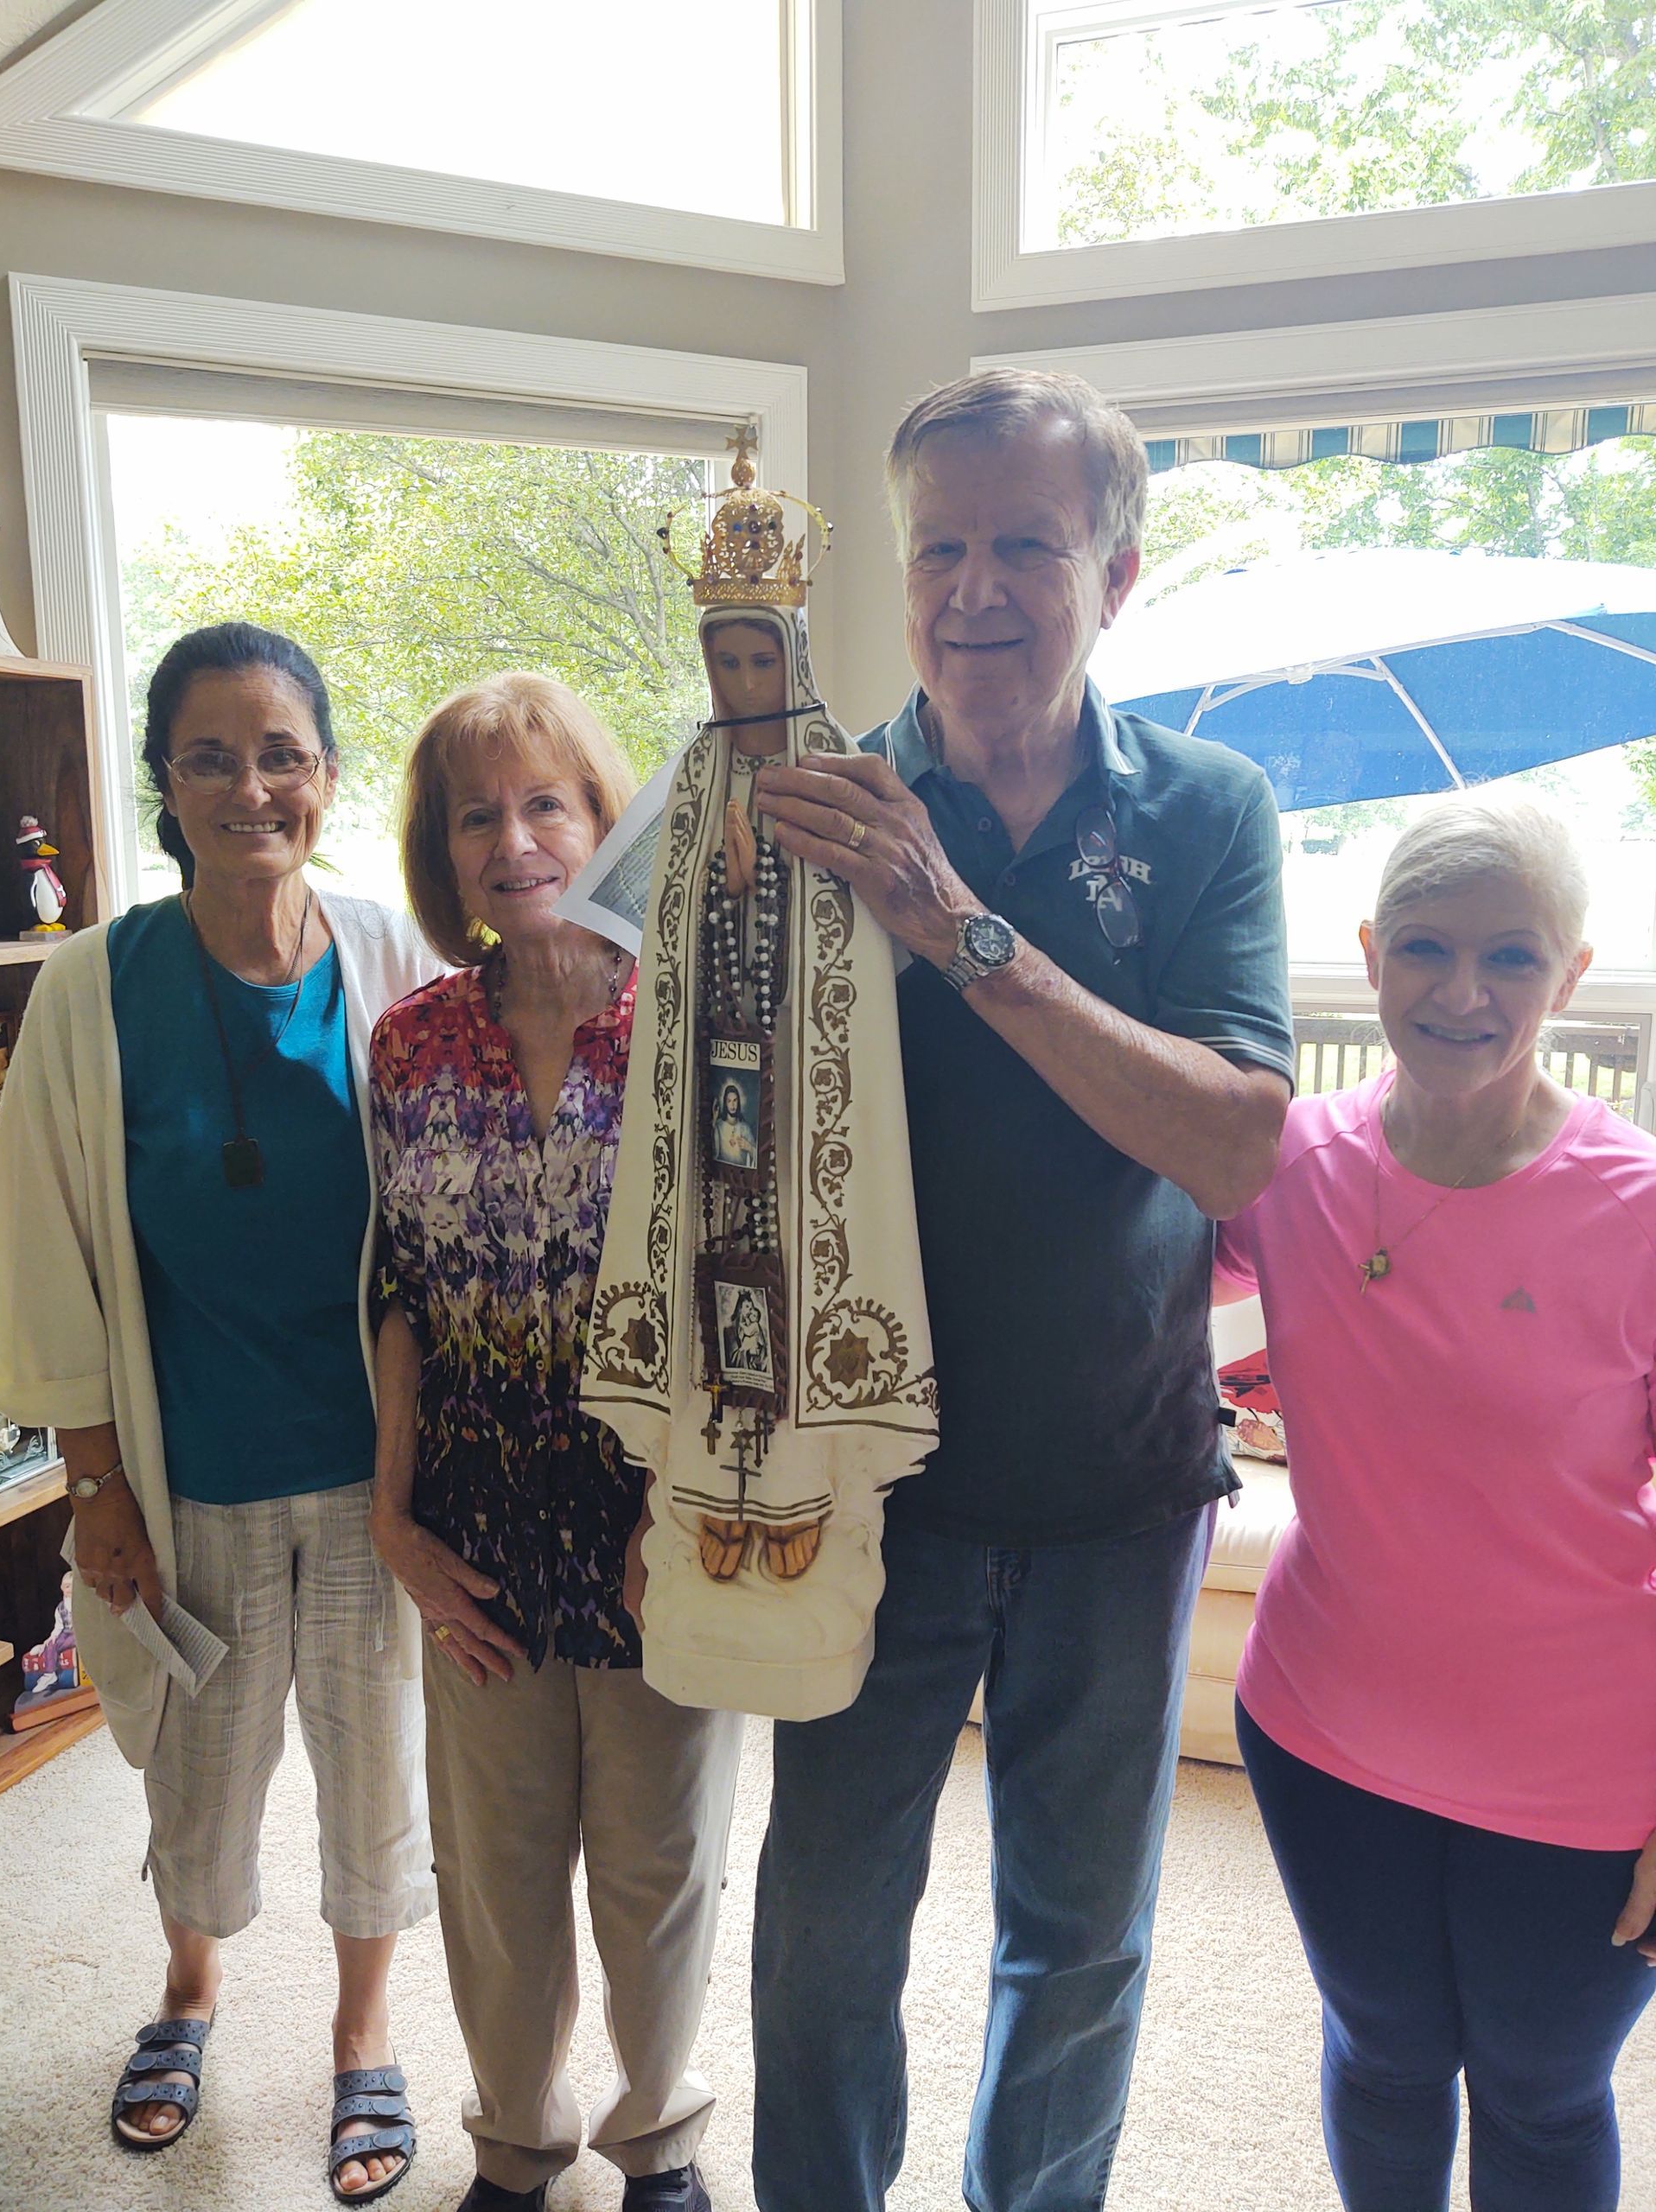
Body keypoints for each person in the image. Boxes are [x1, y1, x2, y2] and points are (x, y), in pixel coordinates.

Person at [746, 366, 1296, 2210]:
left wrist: (958, 930)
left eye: (1028, 548)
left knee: (1079, 1940)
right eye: (941, 548)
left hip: (1119, 1478)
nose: (975, 590)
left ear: (1116, 574)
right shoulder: (812, 806)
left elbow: (1234, 1144)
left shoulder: (1210, 809)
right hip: (864, 1480)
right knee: (825, 1931)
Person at [0, 622, 443, 2202]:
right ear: (164, 783)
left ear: (326, 772)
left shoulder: (397, 962)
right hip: (188, 1470)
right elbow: (47, 1244)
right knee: (203, 1763)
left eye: (280, 754)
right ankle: (187, 1989)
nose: (250, 787)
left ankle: (363, 2032)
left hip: (382, 1474)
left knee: (376, 1763)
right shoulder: (90, 990)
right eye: (209, 757)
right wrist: (92, 1485)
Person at [1214, 798, 1656, 2212]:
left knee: (1541, 2089)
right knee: (1388, 2058)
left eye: (1511, 957)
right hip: (1325, 1730)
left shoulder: (1640, 1207)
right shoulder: (1288, 1162)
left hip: (1592, 1768)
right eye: (1425, 947)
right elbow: (1114, 1258)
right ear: (1370, 953)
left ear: (1570, 975)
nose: (1463, 992)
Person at [368, 673, 744, 2212]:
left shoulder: (697, 1026)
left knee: (658, 1865)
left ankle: (659, 2141)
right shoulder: (408, 1043)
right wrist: (394, 1519)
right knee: (497, 1875)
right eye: (477, 815)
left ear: (603, 822)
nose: (513, 840)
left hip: (662, 1521)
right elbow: (397, 1291)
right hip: (472, 1532)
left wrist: (683, 1506)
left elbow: (739, 1289)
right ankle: (518, 2147)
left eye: (547, 804)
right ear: (444, 852)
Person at [712, 1079, 759, 1168]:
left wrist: (749, 1147)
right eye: (729, 1101)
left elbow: (758, 1157)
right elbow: (714, 1154)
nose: (732, 1105)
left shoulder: (745, 1128)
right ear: (725, 1103)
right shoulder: (718, 1126)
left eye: (735, 1100)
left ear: (738, 1102)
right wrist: (713, 1123)